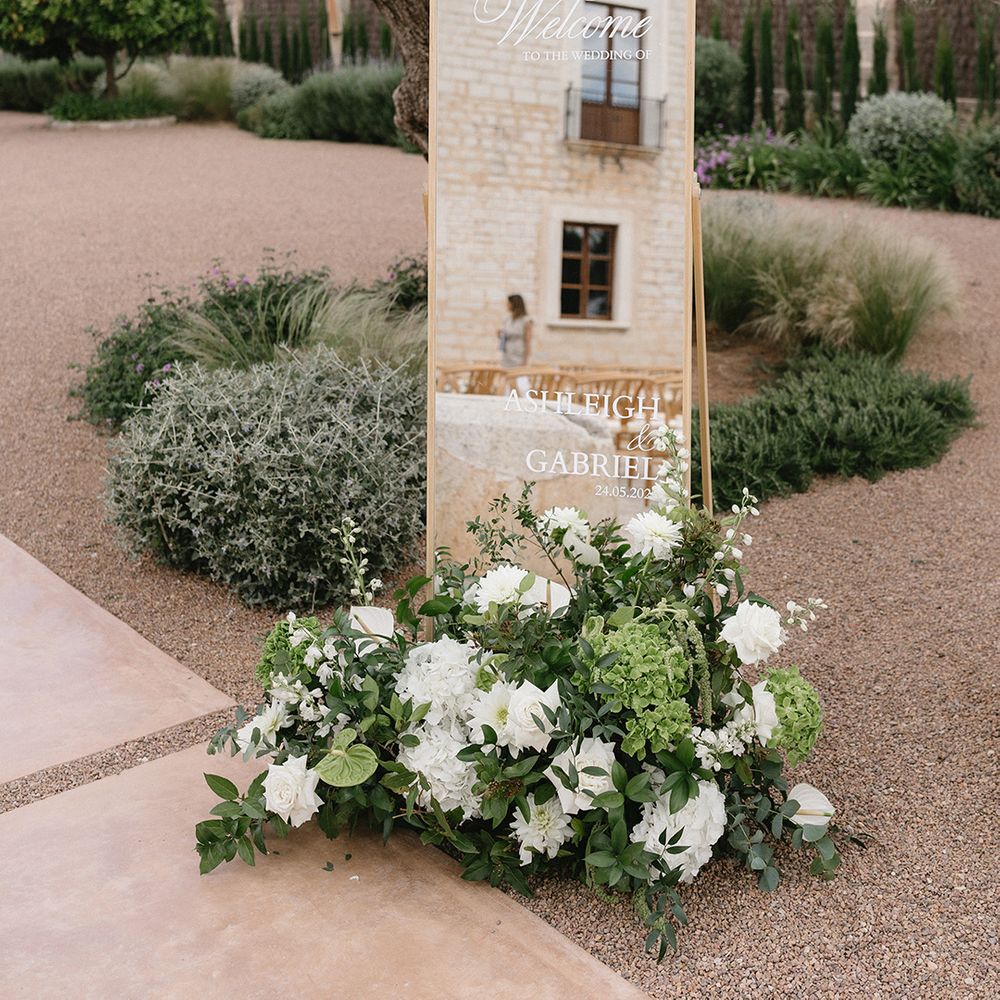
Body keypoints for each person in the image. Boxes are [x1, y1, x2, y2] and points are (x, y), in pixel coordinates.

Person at [498, 294, 533, 370]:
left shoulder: (526, 320)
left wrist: (525, 361)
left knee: (518, 378)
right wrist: (500, 334)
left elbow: (528, 342)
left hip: (519, 355)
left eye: (509, 303)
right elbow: (505, 336)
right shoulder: (507, 319)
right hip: (507, 355)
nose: (507, 305)